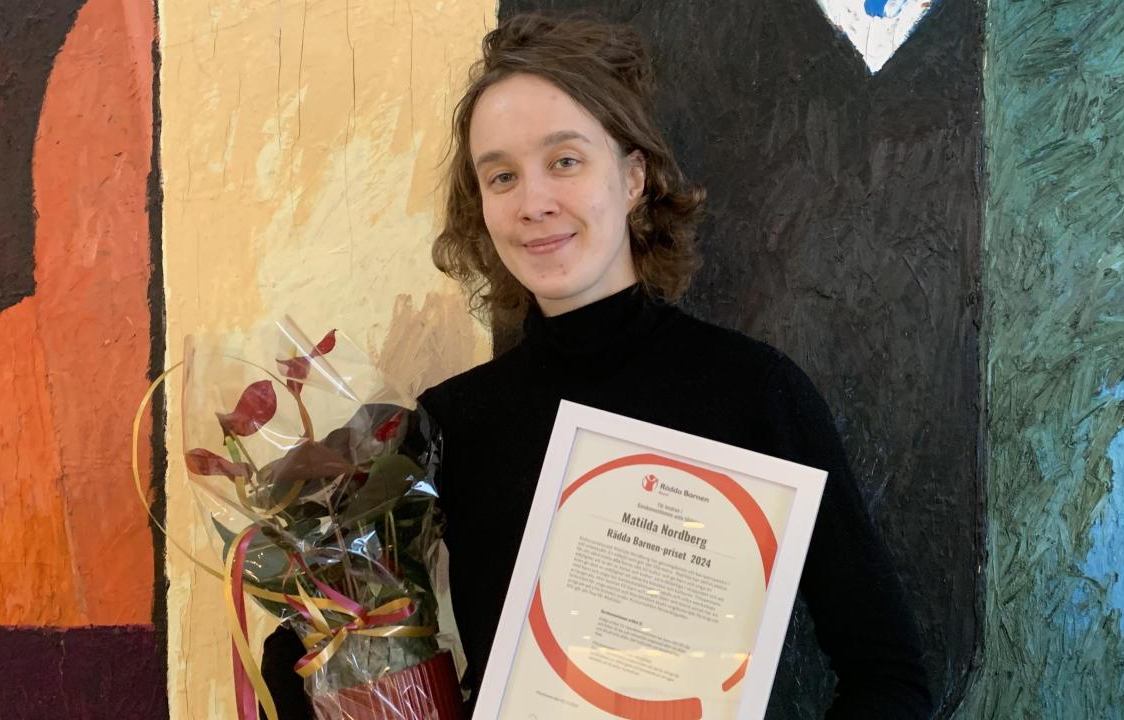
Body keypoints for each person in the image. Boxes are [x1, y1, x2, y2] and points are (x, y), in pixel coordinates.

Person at [266, 12, 931, 718]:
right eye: (501, 176)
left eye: (565, 160)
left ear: (634, 175)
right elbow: (313, 646)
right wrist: (318, 661)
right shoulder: (444, 427)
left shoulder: (756, 393)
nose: (534, 203)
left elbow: (887, 676)